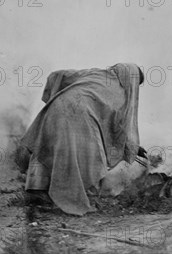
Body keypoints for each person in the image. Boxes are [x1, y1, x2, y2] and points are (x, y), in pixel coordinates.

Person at [18, 63, 145, 215]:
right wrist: (132, 147)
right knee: (88, 158)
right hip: (78, 118)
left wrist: (52, 95)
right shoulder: (121, 95)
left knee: (47, 146)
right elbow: (116, 130)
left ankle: (36, 190)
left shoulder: (95, 73)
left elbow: (58, 74)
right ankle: (72, 198)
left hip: (55, 108)